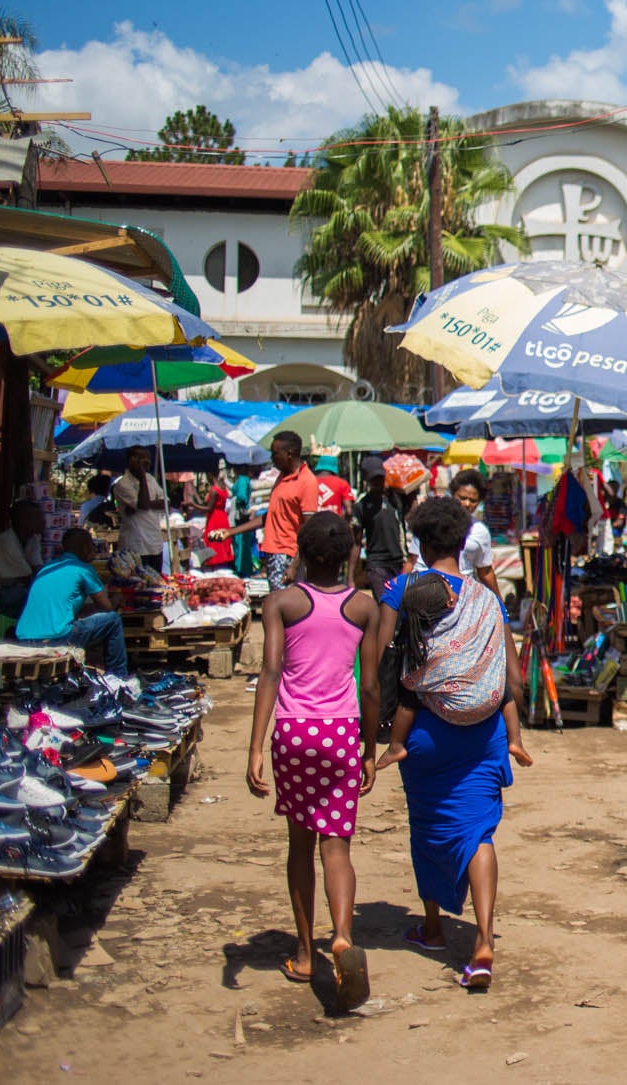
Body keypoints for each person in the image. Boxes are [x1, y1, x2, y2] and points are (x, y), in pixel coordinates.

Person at [362, 495, 525, 990]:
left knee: (428, 827)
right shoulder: (487, 600)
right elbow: (512, 677)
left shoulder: (401, 588)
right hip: (484, 732)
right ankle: (484, 941)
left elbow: (385, 660)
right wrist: (512, 728)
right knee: (478, 832)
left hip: (426, 730)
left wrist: (379, 733)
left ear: (420, 541)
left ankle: (432, 927)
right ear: (462, 542)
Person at [244, 512, 373, 1011]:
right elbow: (369, 685)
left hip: (294, 732)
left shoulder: (280, 602)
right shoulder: (364, 606)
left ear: (299, 551)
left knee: (300, 844)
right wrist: (367, 746)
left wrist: (256, 746)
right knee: (336, 849)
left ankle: (304, 954)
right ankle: (342, 937)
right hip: (341, 732)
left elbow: (271, 670)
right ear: (347, 555)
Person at [374, 572, 531, 775]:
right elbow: (510, 674)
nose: (455, 592)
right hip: (486, 705)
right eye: (450, 590)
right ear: (449, 604)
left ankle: (396, 745)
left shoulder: (423, 642)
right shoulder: (475, 616)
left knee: (409, 697)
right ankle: (516, 740)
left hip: (445, 712)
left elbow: (409, 680)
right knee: (505, 691)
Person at [212, 432, 318, 590]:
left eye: (275, 453)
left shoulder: (306, 481)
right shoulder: (282, 477)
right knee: (279, 602)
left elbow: (308, 529)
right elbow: (270, 517)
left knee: (286, 605)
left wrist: (294, 566)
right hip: (274, 552)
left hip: (288, 555)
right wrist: (230, 532)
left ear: (289, 454)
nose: (272, 458)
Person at [15, 529, 127, 676]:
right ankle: (118, 676)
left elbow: (65, 607)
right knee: (113, 620)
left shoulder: (47, 568)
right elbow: (106, 607)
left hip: (25, 637)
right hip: (56, 637)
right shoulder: (83, 569)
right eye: (92, 546)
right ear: (86, 548)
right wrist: (116, 599)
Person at [354, 454, 410, 737]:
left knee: (400, 613)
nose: (378, 483)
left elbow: (408, 523)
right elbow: (357, 541)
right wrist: (353, 575)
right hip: (376, 564)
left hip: (398, 561)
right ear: (366, 480)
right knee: (386, 608)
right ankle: (382, 662)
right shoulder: (362, 506)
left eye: (381, 478)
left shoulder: (397, 499)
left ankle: (395, 659)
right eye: (373, 479)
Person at [409, 469, 496, 594]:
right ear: (453, 494)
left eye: (473, 500)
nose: (467, 504)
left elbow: (485, 571)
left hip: (462, 592)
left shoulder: (480, 531)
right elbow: (412, 560)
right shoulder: (430, 520)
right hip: (424, 587)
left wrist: (501, 605)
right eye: (462, 498)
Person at [0, 499, 45, 617]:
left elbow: (37, 569)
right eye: (38, 518)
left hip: (14, 589)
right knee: (39, 597)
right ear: (23, 520)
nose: (44, 522)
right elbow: (26, 576)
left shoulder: (33, 539)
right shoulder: (5, 543)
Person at [111, 445, 168, 562]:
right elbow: (143, 505)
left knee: (157, 579)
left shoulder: (151, 479)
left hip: (154, 543)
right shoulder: (122, 484)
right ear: (132, 460)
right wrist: (142, 477)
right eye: (143, 458)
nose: (147, 462)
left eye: (148, 459)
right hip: (135, 545)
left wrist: (147, 504)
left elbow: (166, 503)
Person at [201, 470, 236, 571]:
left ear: (210, 475)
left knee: (214, 542)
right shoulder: (223, 487)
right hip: (222, 517)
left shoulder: (214, 490)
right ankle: (223, 566)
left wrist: (192, 504)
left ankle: (216, 568)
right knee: (222, 541)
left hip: (214, 518)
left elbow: (209, 508)